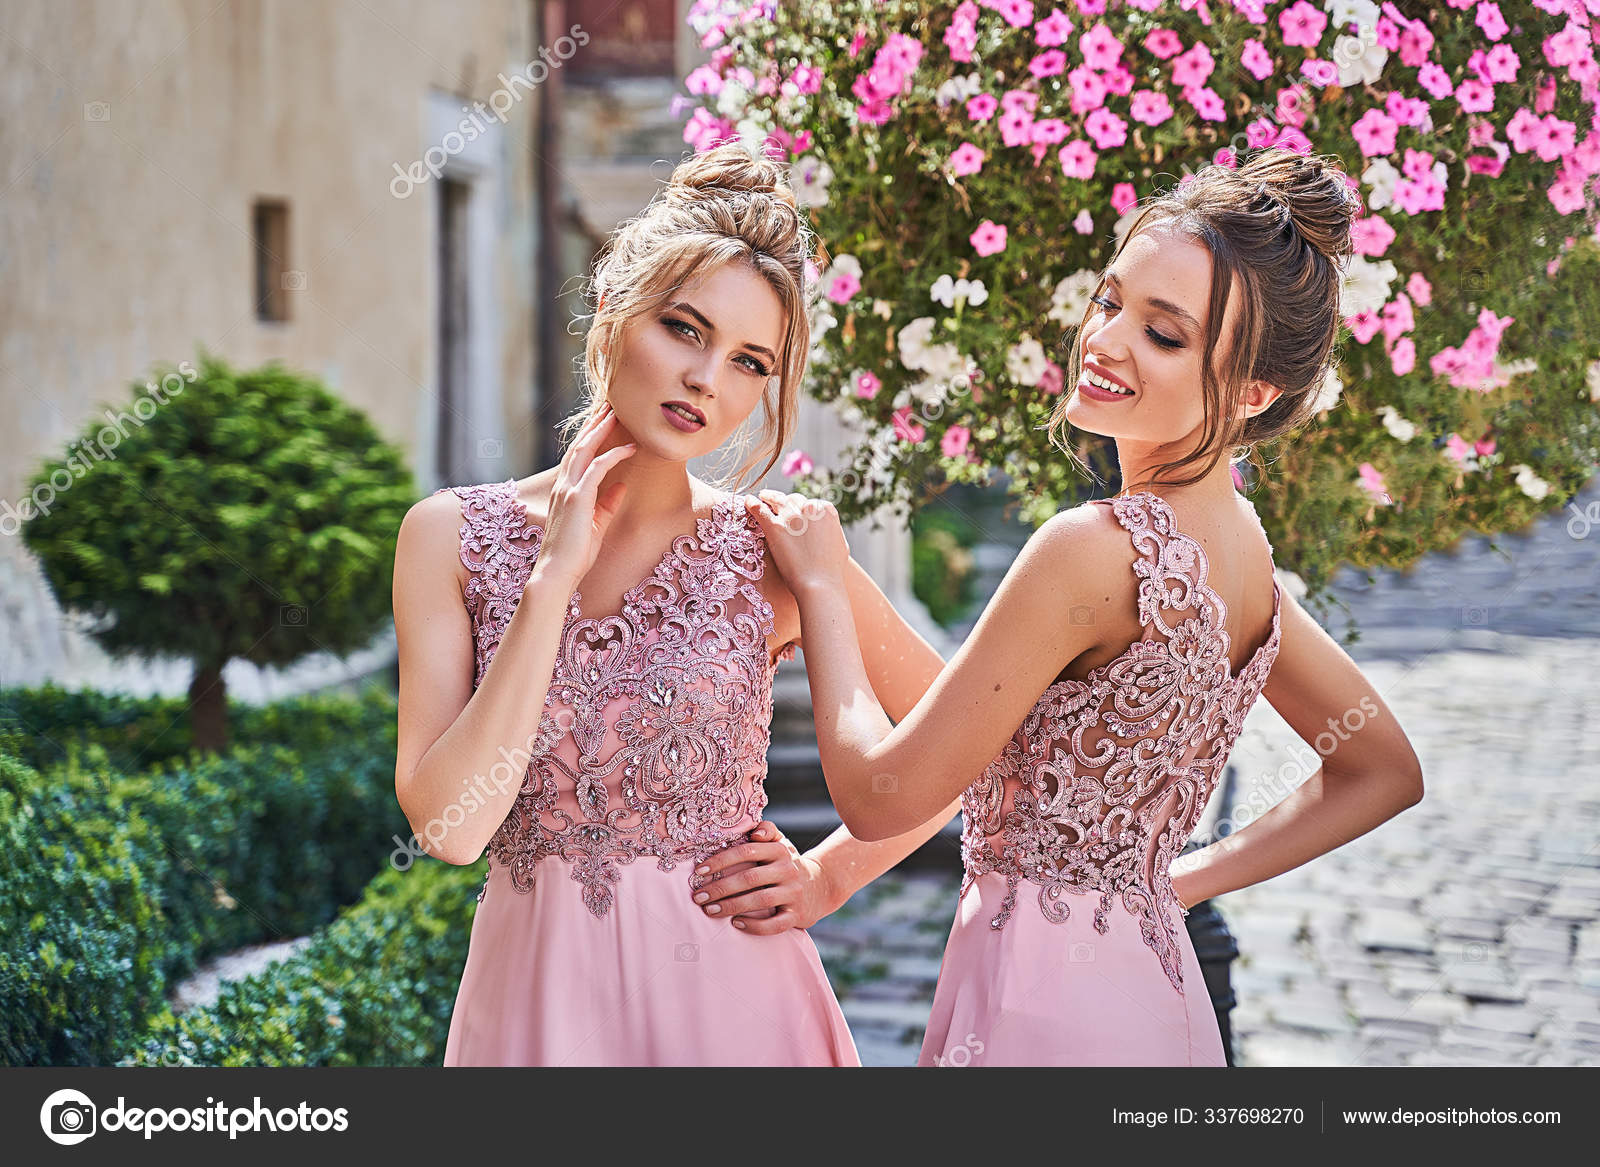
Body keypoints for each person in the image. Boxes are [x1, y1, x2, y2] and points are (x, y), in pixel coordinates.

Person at [745, 148, 1426, 1067]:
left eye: (1165, 334)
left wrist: (825, 595)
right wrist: (1166, 883)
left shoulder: (1090, 549)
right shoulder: (1246, 557)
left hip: (1038, 1013)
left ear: (1256, 392)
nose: (1104, 342)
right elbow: (1382, 768)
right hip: (1156, 996)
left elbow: (885, 791)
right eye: (1110, 302)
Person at [391, 142, 957, 1067]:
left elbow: (967, 751)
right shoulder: (448, 537)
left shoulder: (776, 553)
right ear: (614, 310)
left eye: (748, 362)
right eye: (686, 329)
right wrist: (551, 581)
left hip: (735, 1013)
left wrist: (826, 877)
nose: (707, 380)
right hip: (534, 1019)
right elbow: (450, 830)